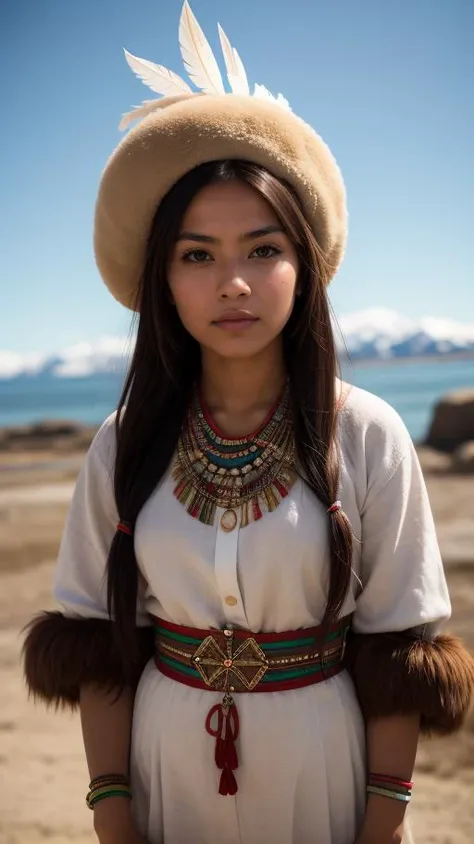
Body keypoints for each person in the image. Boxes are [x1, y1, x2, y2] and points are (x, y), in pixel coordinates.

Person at [22, 3, 474, 843]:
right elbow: (96, 643)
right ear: (164, 280)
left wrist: (382, 828)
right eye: (198, 255)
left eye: (262, 249)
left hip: (323, 768)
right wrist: (113, 818)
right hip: (166, 768)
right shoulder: (124, 441)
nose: (232, 283)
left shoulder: (367, 433)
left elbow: (397, 650)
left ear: (304, 267)